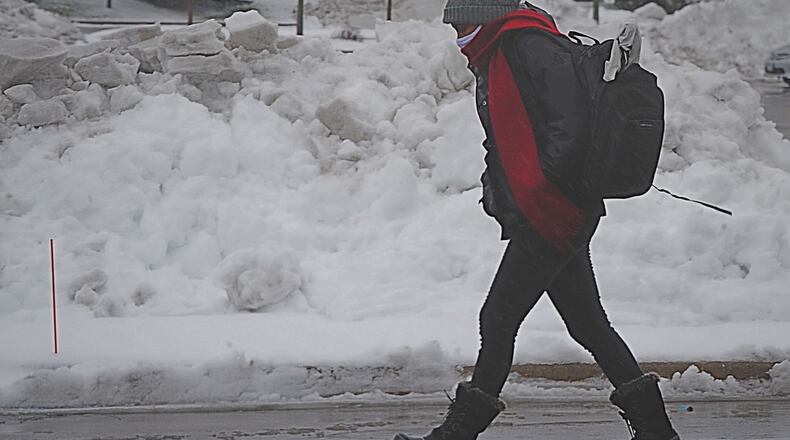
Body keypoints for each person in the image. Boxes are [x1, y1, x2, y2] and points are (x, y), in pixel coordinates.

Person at [393, 1, 680, 440]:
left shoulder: (528, 45)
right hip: (548, 209)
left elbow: (570, 125)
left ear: (485, 16)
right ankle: (657, 432)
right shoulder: (500, 51)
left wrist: (543, 183)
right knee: (588, 325)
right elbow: (510, 132)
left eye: (463, 23)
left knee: (498, 318)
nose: (458, 35)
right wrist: (500, 186)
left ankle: (455, 436)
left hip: (555, 210)